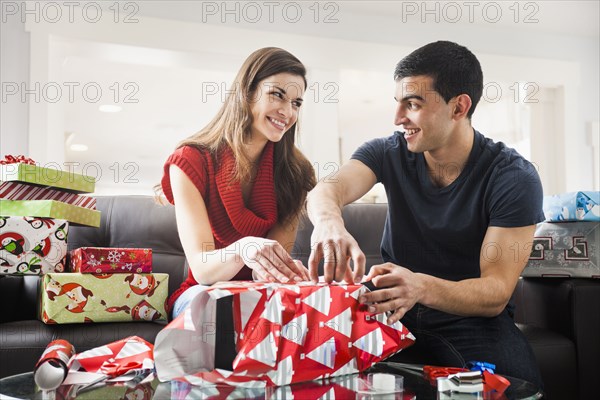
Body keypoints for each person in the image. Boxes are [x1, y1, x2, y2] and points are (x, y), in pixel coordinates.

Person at [306, 41, 544, 387]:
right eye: (398, 103)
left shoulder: (512, 177)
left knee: (517, 387)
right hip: (385, 307)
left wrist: (420, 287)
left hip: (469, 318)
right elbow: (327, 189)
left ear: (459, 107)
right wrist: (329, 224)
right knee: (316, 372)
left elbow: (495, 291)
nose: (398, 118)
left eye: (413, 104)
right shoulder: (386, 151)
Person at [160, 47, 316, 319]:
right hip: (203, 293)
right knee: (218, 310)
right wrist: (245, 249)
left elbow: (266, 273)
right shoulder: (189, 161)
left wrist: (284, 272)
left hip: (258, 295)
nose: (287, 111)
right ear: (247, 93)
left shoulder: (296, 173)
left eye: (296, 103)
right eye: (277, 95)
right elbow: (202, 269)